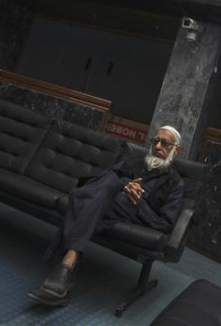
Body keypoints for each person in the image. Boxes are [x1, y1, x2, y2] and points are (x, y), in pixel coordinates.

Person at [27, 125, 186, 307]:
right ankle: (65, 270)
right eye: (155, 141)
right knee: (108, 182)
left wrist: (138, 202)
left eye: (164, 143)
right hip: (107, 204)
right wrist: (124, 185)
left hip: (132, 211)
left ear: (176, 150)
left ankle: (66, 267)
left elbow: (165, 224)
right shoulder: (135, 159)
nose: (157, 147)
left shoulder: (175, 184)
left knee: (83, 196)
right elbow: (105, 179)